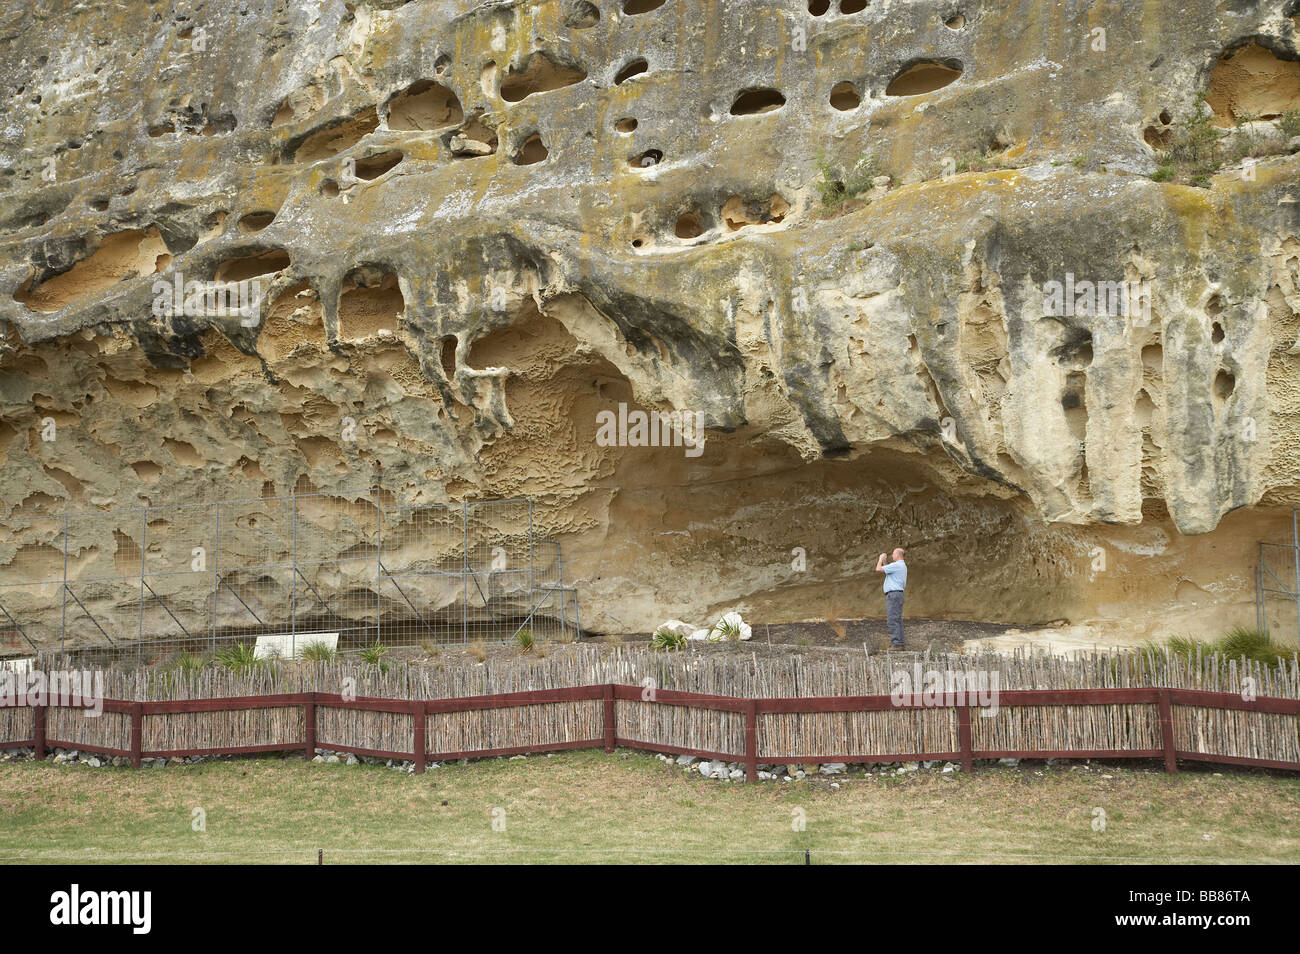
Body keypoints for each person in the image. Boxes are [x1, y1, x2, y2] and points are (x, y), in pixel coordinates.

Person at [875, 547, 907, 649]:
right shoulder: (900, 566)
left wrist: (880, 559)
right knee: (897, 619)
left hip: (893, 595)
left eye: (893, 554)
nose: (892, 556)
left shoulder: (897, 565)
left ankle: (897, 644)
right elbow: (888, 570)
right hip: (897, 594)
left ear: (897, 555)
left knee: (892, 619)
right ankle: (900, 643)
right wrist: (885, 561)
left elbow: (878, 569)